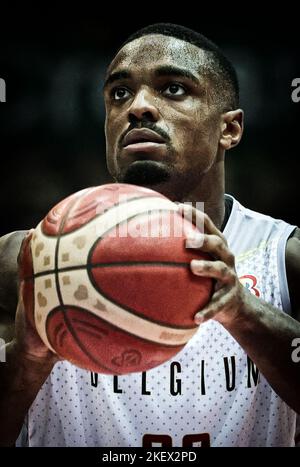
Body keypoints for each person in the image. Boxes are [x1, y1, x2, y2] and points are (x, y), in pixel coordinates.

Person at [0, 22, 300, 448]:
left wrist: (243, 311)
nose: (138, 107)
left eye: (174, 89)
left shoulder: (284, 260)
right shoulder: (22, 262)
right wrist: (27, 359)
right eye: (119, 93)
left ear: (229, 129)